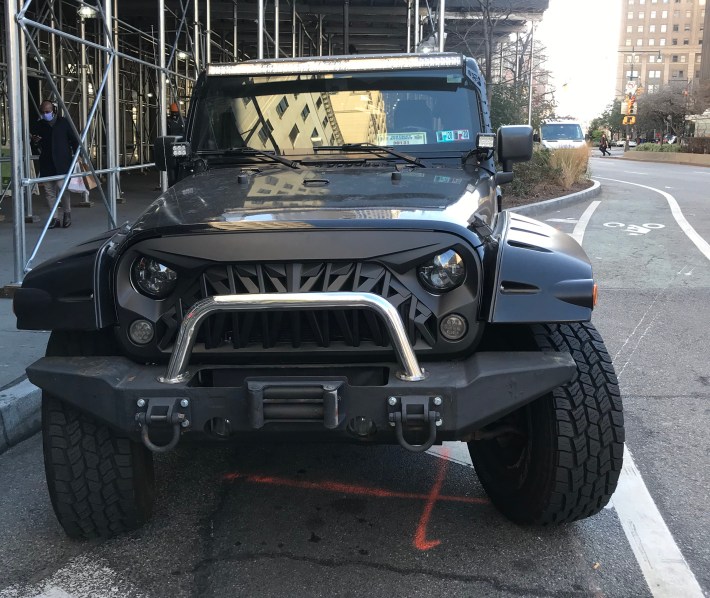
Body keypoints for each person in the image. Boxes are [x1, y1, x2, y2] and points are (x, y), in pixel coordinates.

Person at [30, 99, 79, 229]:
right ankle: (54, 218)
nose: (45, 114)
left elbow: (74, 139)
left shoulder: (63, 122)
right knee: (49, 192)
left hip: (62, 162)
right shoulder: (39, 125)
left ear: (54, 110)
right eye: (43, 112)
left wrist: (77, 155)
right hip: (47, 163)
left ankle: (67, 214)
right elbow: (34, 146)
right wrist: (35, 142)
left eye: (48, 111)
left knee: (63, 190)